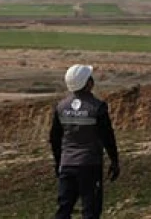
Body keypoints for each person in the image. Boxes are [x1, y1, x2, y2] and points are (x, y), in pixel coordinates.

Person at [50, 64, 121, 219]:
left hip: (67, 165)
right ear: (88, 83)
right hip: (90, 165)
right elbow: (108, 137)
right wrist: (114, 161)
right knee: (91, 211)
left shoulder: (61, 107)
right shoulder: (97, 107)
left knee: (64, 209)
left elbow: (54, 138)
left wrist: (58, 163)